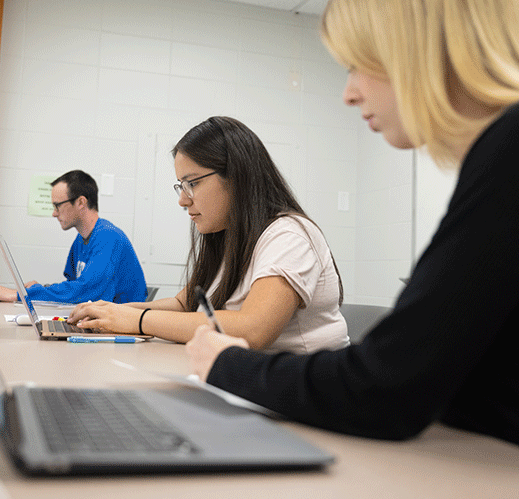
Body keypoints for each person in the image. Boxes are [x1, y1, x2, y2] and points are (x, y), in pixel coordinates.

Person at [185, 0, 519, 482]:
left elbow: (383, 388)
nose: (349, 93)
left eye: (360, 63)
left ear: (420, 46)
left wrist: (226, 364)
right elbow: (404, 374)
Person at [67, 116, 349, 353]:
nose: (183, 200)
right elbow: (183, 304)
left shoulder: (288, 236)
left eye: (192, 183)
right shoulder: (231, 237)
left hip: (301, 396)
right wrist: (112, 311)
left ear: (237, 176)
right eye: (181, 186)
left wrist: (136, 319)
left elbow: (253, 329)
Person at [0, 170, 147, 304]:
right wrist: (43, 289)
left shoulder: (108, 237)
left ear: (81, 202)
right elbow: (73, 286)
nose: (54, 213)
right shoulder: (81, 240)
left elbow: (86, 290)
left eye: (58, 206)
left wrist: (19, 294)